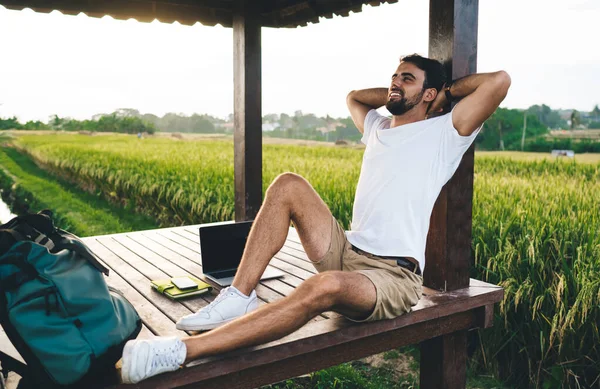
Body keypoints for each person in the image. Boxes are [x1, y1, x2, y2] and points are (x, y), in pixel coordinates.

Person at [120, 54, 511, 384]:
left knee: (322, 286)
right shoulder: (377, 127)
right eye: (392, 76)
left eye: (405, 78)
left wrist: (442, 95)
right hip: (347, 249)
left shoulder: (446, 132)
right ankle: (238, 297)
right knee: (288, 184)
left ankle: (181, 352)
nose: (394, 83)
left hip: (391, 277)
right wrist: (400, 91)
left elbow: (499, 81)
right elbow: (355, 97)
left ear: (430, 94)